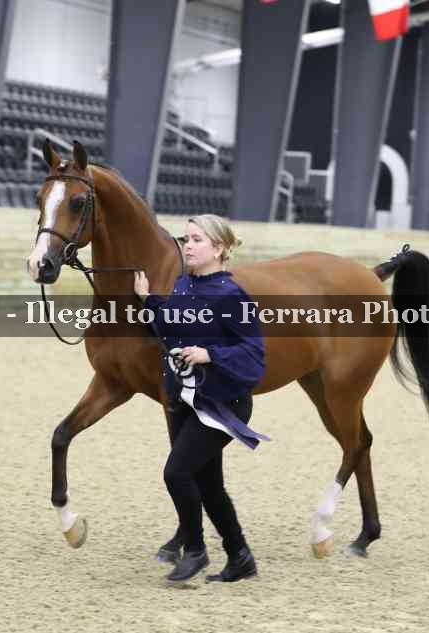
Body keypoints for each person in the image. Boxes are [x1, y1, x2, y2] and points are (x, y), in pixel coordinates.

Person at [134, 214, 267, 584]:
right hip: (185, 398)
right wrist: (149, 301)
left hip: (222, 403)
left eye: (197, 240)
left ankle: (194, 550)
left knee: (176, 473)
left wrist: (211, 355)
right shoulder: (182, 285)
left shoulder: (232, 296)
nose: (188, 246)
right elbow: (171, 330)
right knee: (208, 484)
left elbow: (255, 355)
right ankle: (240, 557)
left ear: (219, 248)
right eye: (186, 239)